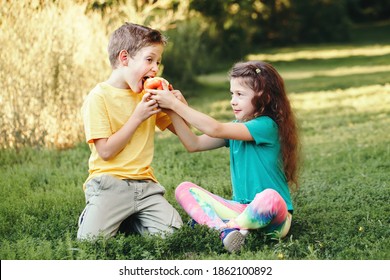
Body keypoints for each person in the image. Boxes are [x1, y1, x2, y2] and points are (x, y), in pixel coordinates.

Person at [148, 60, 300, 252]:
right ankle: (227, 230)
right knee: (184, 189)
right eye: (232, 94)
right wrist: (172, 110)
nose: (233, 100)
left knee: (269, 196)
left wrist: (177, 106)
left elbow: (215, 128)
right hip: (240, 208)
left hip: (273, 218)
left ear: (264, 96)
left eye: (240, 94)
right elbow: (193, 144)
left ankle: (227, 225)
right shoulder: (236, 128)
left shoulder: (267, 126)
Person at [77, 22, 183, 240]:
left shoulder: (148, 95)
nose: (155, 69)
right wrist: (138, 116)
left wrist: (177, 105)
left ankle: (128, 219)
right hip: (109, 184)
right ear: (124, 58)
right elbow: (105, 152)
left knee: (173, 234)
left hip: (145, 186)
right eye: (149, 60)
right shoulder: (99, 97)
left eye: (158, 62)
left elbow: (182, 129)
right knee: (90, 242)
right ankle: (102, 213)